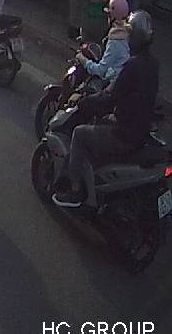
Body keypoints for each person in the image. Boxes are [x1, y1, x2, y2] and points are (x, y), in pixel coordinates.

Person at [53, 11, 159, 208]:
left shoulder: (132, 66)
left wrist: (83, 102)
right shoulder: (152, 64)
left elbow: (109, 98)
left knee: (80, 134)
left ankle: (75, 190)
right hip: (139, 129)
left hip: (125, 134)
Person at [80, 0, 131, 83]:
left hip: (112, 84)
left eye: (108, 15)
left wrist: (83, 60)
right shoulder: (128, 34)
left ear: (112, 16)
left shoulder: (115, 41)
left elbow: (100, 70)